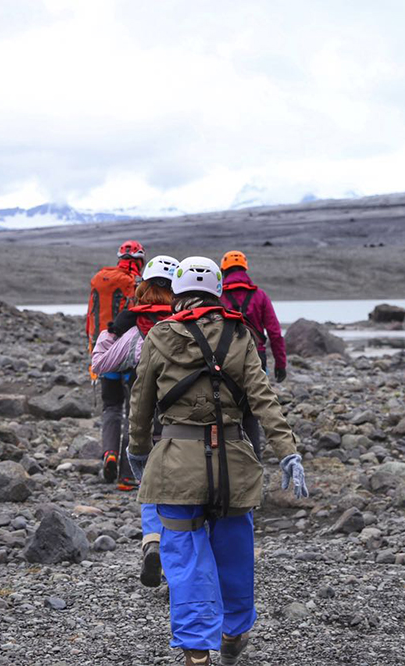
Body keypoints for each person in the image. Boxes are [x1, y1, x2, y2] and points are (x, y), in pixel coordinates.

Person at [126, 256, 308, 666]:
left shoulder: (160, 335)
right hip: (233, 467)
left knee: (185, 559)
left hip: (175, 465)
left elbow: (141, 402)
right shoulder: (239, 335)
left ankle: (195, 652)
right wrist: (287, 451)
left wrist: (138, 451)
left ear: (178, 291)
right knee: (233, 552)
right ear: (217, 291)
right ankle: (233, 632)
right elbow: (264, 400)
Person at [90, 255, 179, 588]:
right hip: (182, 422)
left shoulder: (132, 325)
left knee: (151, 487)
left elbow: (100, 362)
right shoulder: (186, 322)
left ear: (143, 288)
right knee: (186, 489)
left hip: (145, 417)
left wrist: (111, 330)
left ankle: (152, 542)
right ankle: (181, 561)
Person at [86, 240, 145, 483]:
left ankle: (109, 453)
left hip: (104, 354)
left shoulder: (100, 280)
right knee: (134, 412)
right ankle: (128, 473)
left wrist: (93, 352)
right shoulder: (137, 285)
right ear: (139, 261)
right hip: (130, 357)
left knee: (111, 408)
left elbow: (90, 318)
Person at [219, 250, 287, 453]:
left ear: (224, 270)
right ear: (245, 269)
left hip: (223, 359)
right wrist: (281, 365)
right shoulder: (260, 296)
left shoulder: (218, 296)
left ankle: (225, 461)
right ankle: (254, 460)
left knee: (223, 412)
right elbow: (275, 333)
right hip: (256, 360)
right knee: (250, 413)